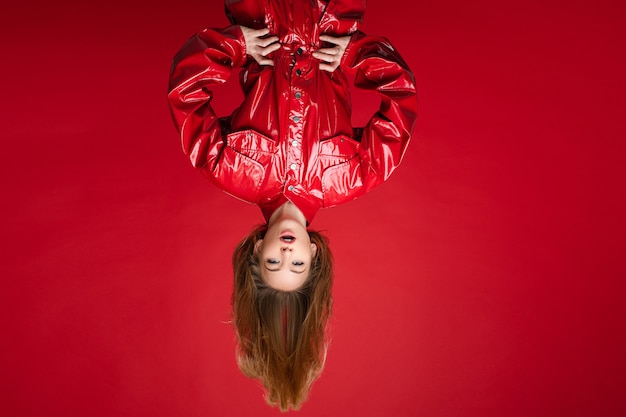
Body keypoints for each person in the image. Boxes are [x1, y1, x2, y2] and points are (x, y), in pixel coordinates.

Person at [168, 0, 417, 410]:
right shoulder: (353, 177)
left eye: (273, 263)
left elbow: (184, 96)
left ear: (255, 251)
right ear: (314, 255)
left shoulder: (228, 169)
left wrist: (235, 46)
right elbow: (403, 102)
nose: (286, 253)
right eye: (297, 265)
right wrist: (355, 54)